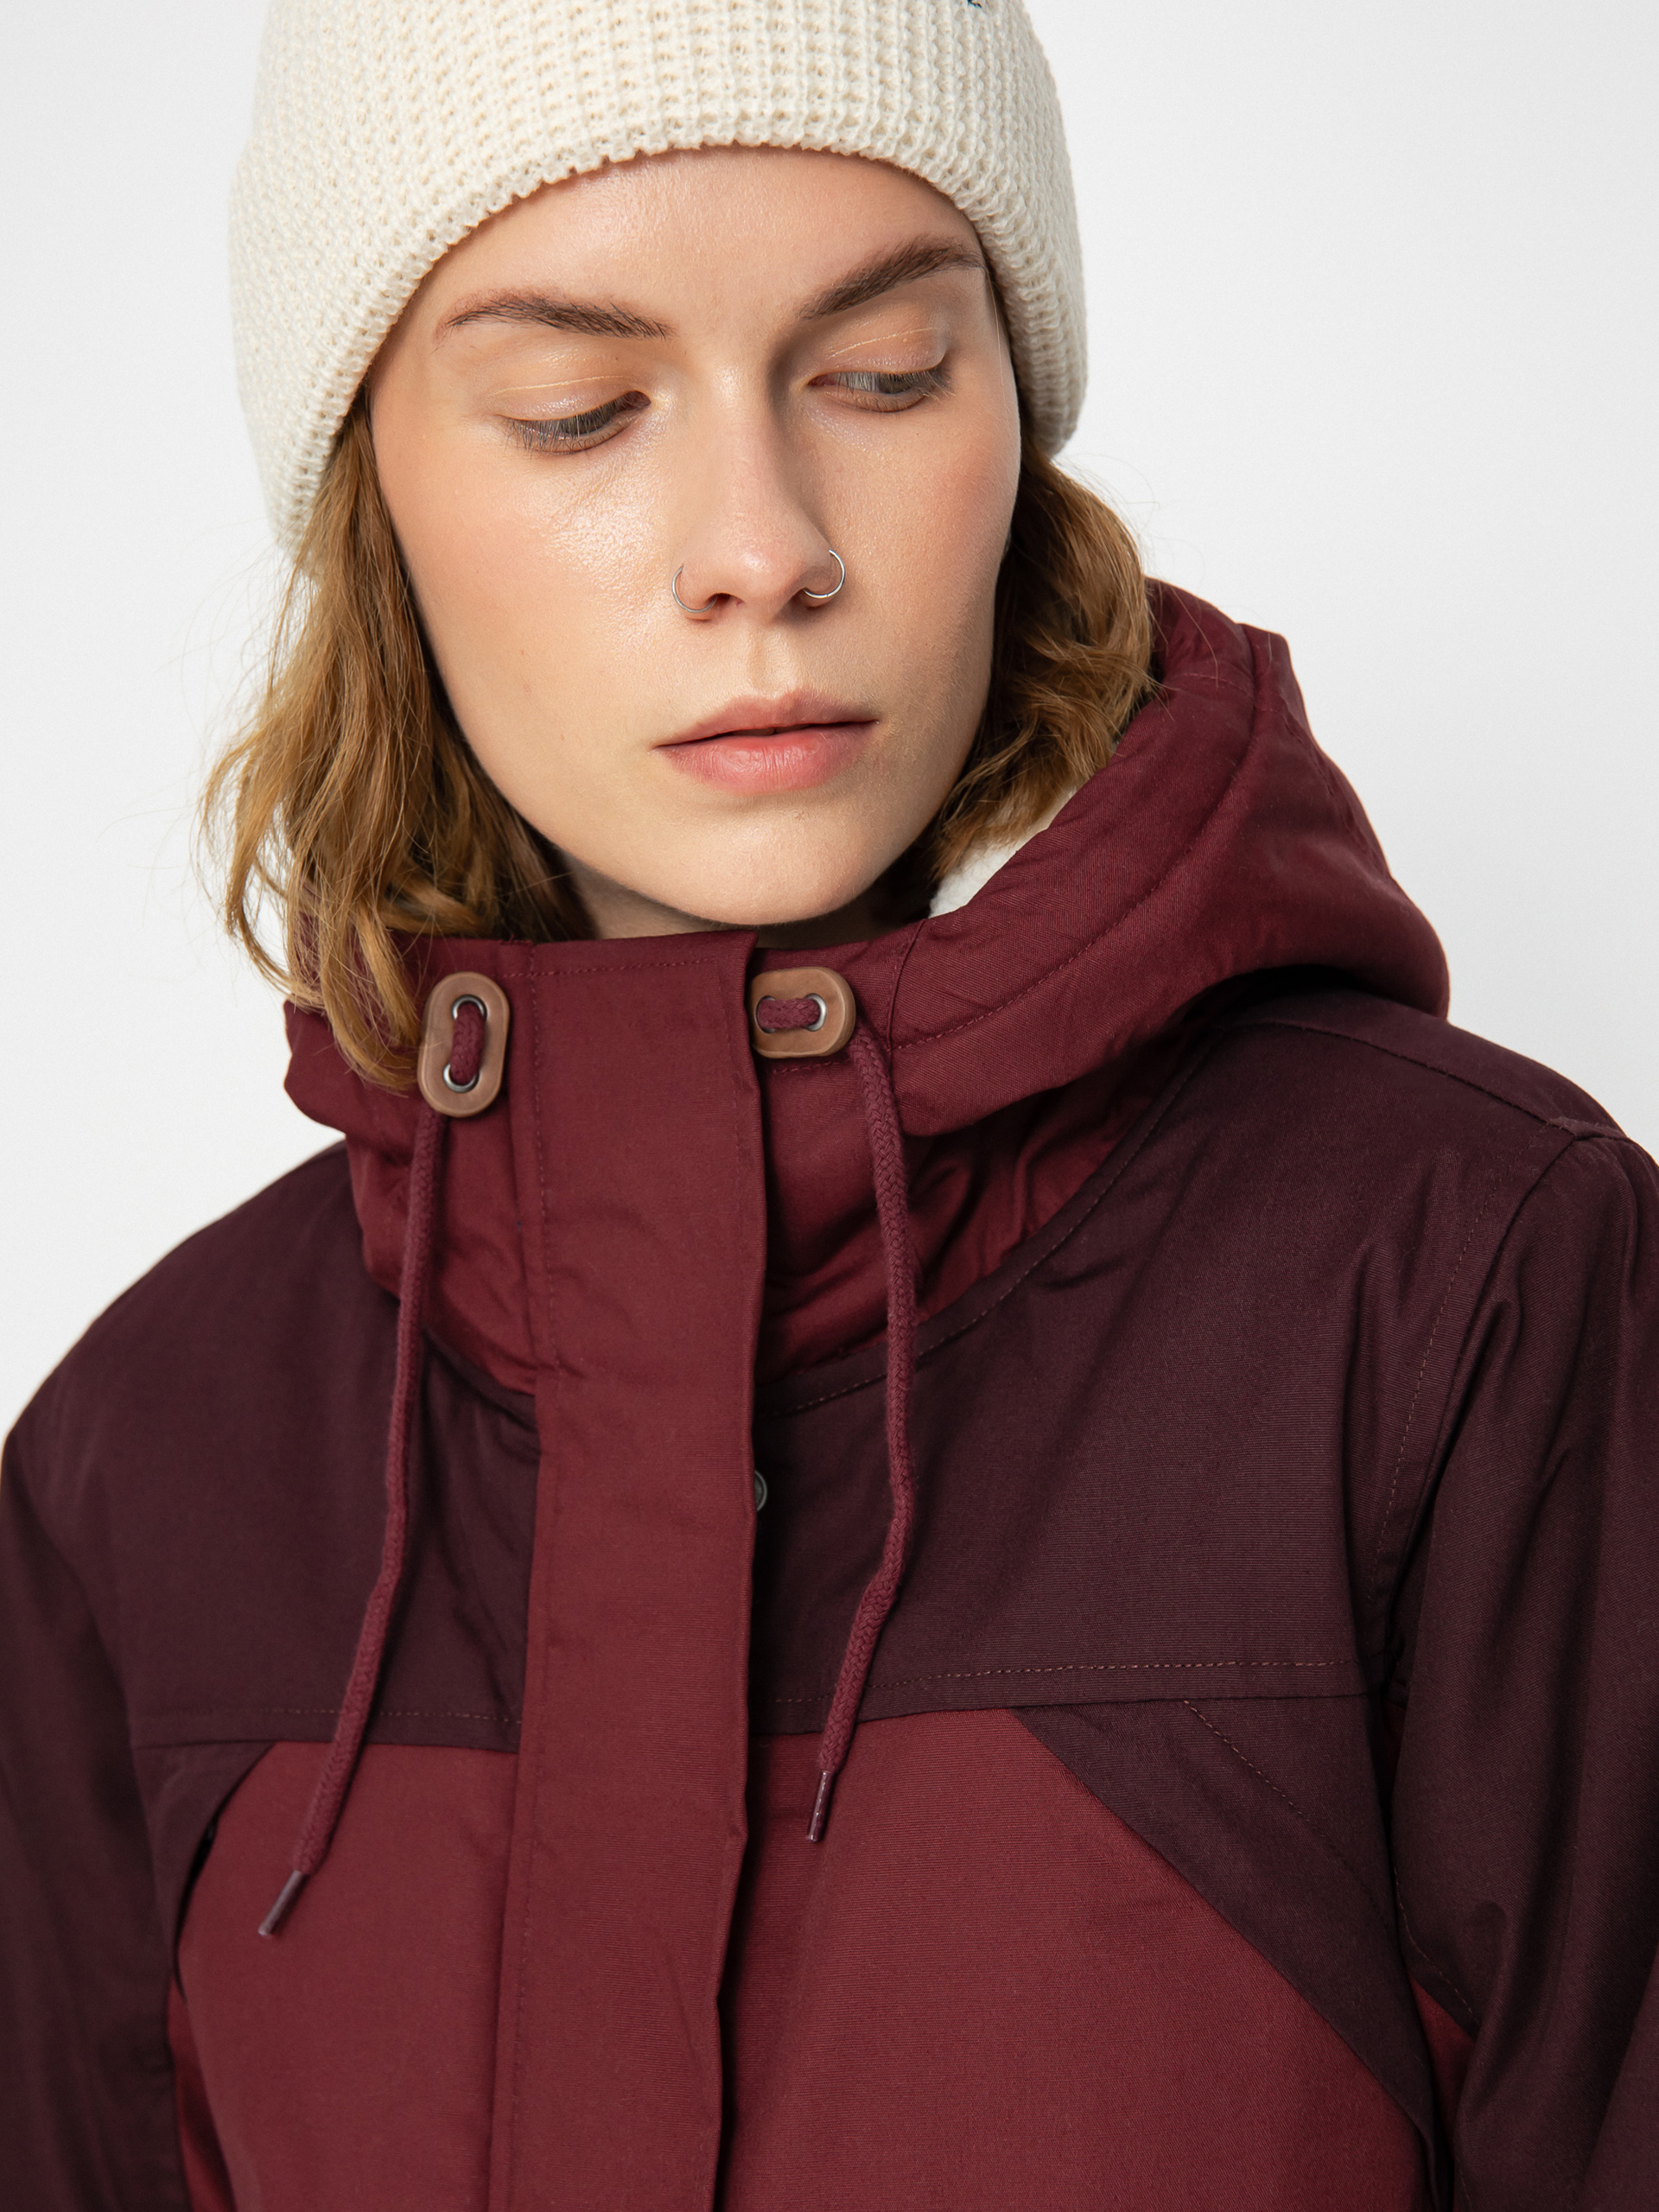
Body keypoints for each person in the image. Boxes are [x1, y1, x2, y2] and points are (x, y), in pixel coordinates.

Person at [2, 0, 1655, 2205]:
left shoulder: (1468, 1291)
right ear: (369, 490)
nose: (761, 545)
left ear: (1017, 418)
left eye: (882, 372)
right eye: (579, 409)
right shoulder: (142, 1473)